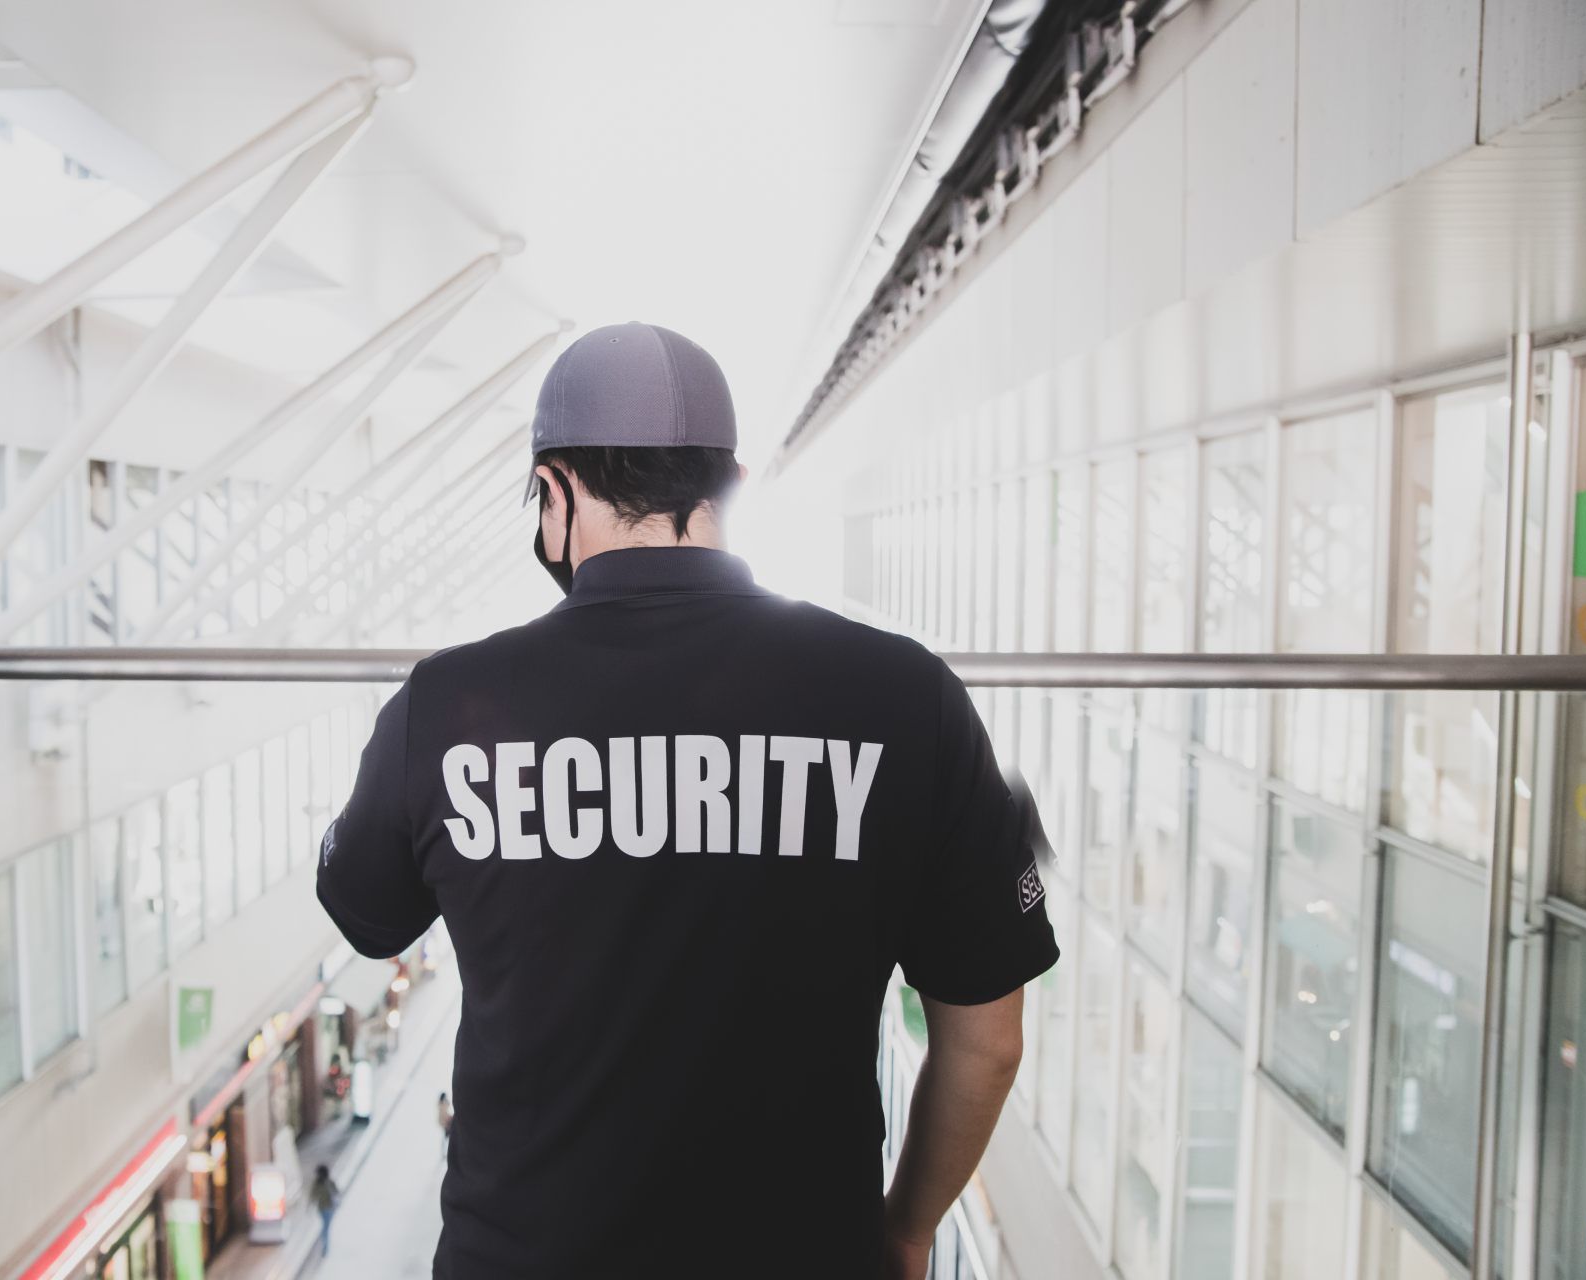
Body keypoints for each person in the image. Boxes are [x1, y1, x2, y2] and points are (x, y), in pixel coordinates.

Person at [315, 322, 1057, 1279]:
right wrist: (906, 1230)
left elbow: (366, 914)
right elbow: (989, 1042)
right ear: (733, 485)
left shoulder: (450, 706)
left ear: (553, 489)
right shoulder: (906, 697)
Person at [309, 1164, 340, 1258]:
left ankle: (325, 1246)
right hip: (325, 1209)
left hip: (326, 1208)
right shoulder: (326, 1182)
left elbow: (313, 1195)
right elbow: (337, 1192)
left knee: (325, 1227)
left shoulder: (324, 1183)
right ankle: (325, 1246)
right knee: (325, 1227)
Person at [437, 1091, 454, 1160]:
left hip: (446, 1123)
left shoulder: (441, 1104)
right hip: (445, 1123)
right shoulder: (441, 1105)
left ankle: (445, 1152)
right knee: (447, 1139)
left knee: (446, 1138)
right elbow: (443, 1115)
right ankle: (445, 1152)